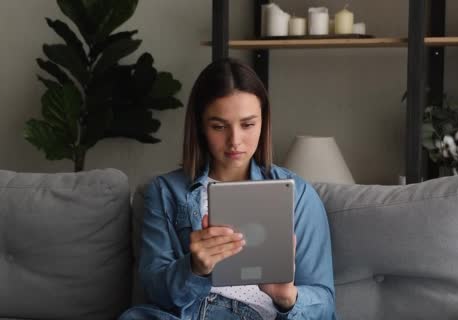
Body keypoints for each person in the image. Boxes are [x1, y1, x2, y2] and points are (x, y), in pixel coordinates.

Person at [119, 58, 335, 320]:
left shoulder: (298, 195)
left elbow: (325, 304)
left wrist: (287, 297)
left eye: (248, 124)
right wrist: (195, 268)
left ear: (263, 122)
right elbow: (155, 290)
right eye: (219, 126)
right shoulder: (165, 191)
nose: (235, 141)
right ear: (200, 125)